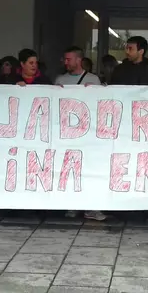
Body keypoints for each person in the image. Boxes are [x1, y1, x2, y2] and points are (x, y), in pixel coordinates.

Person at [55, 46, 105, 221]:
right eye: (65, 59)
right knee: (70, 170)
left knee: (89, 170)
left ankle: (91, 207)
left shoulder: (93, 79)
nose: (65, 62)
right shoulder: (60, 80)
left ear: (79, 60)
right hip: (67, 132)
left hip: (87, 133)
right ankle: (72, 205)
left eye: (69, 59)